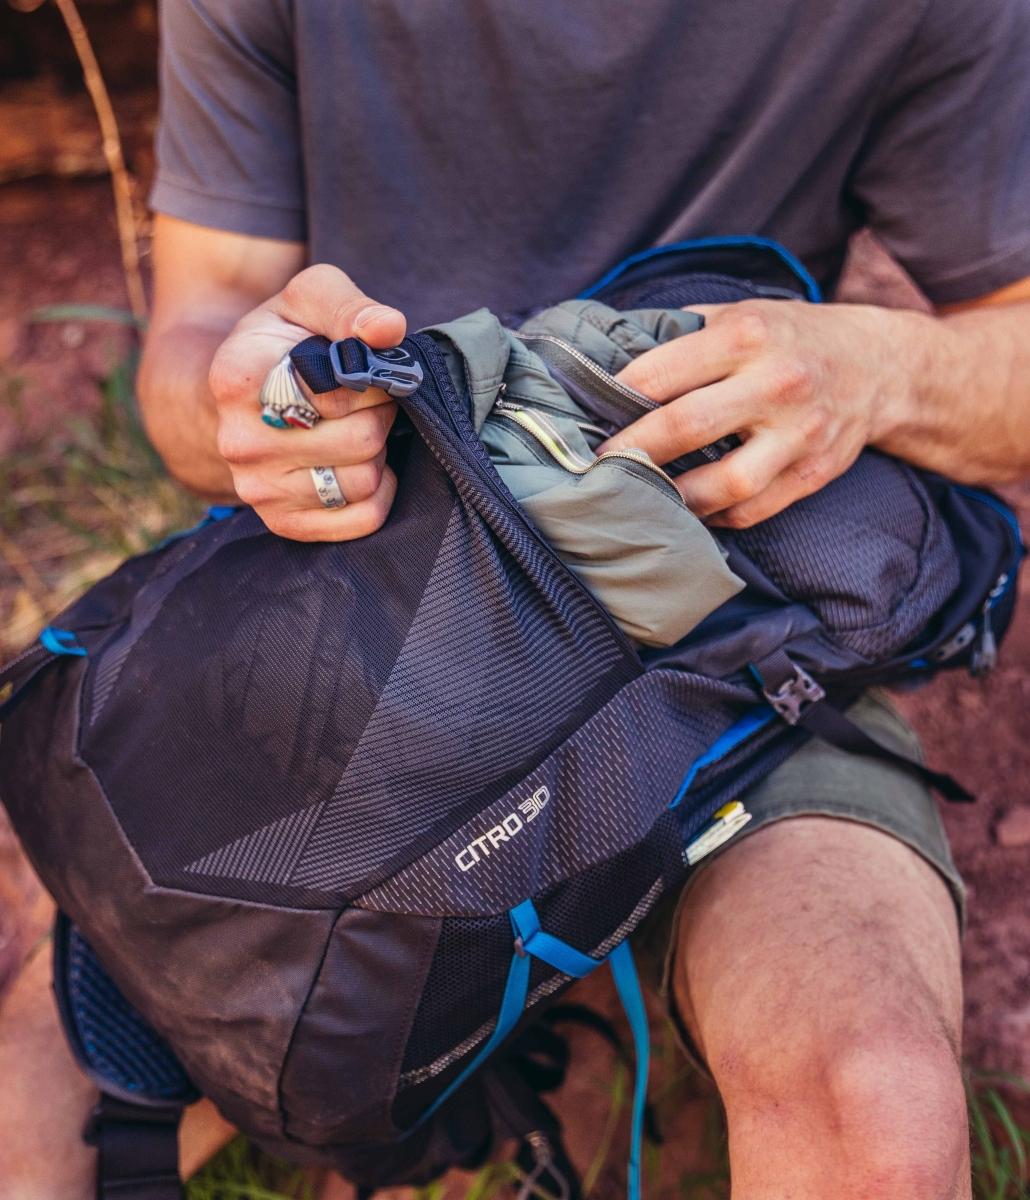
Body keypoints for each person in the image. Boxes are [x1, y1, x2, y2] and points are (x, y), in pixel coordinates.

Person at [3, 1, 1030, 1196]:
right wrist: (256, 406)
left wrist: (878, 367)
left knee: (874, 1103)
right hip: (351, 615)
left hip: (728, 640)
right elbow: (198, 325)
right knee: (27, 1129)